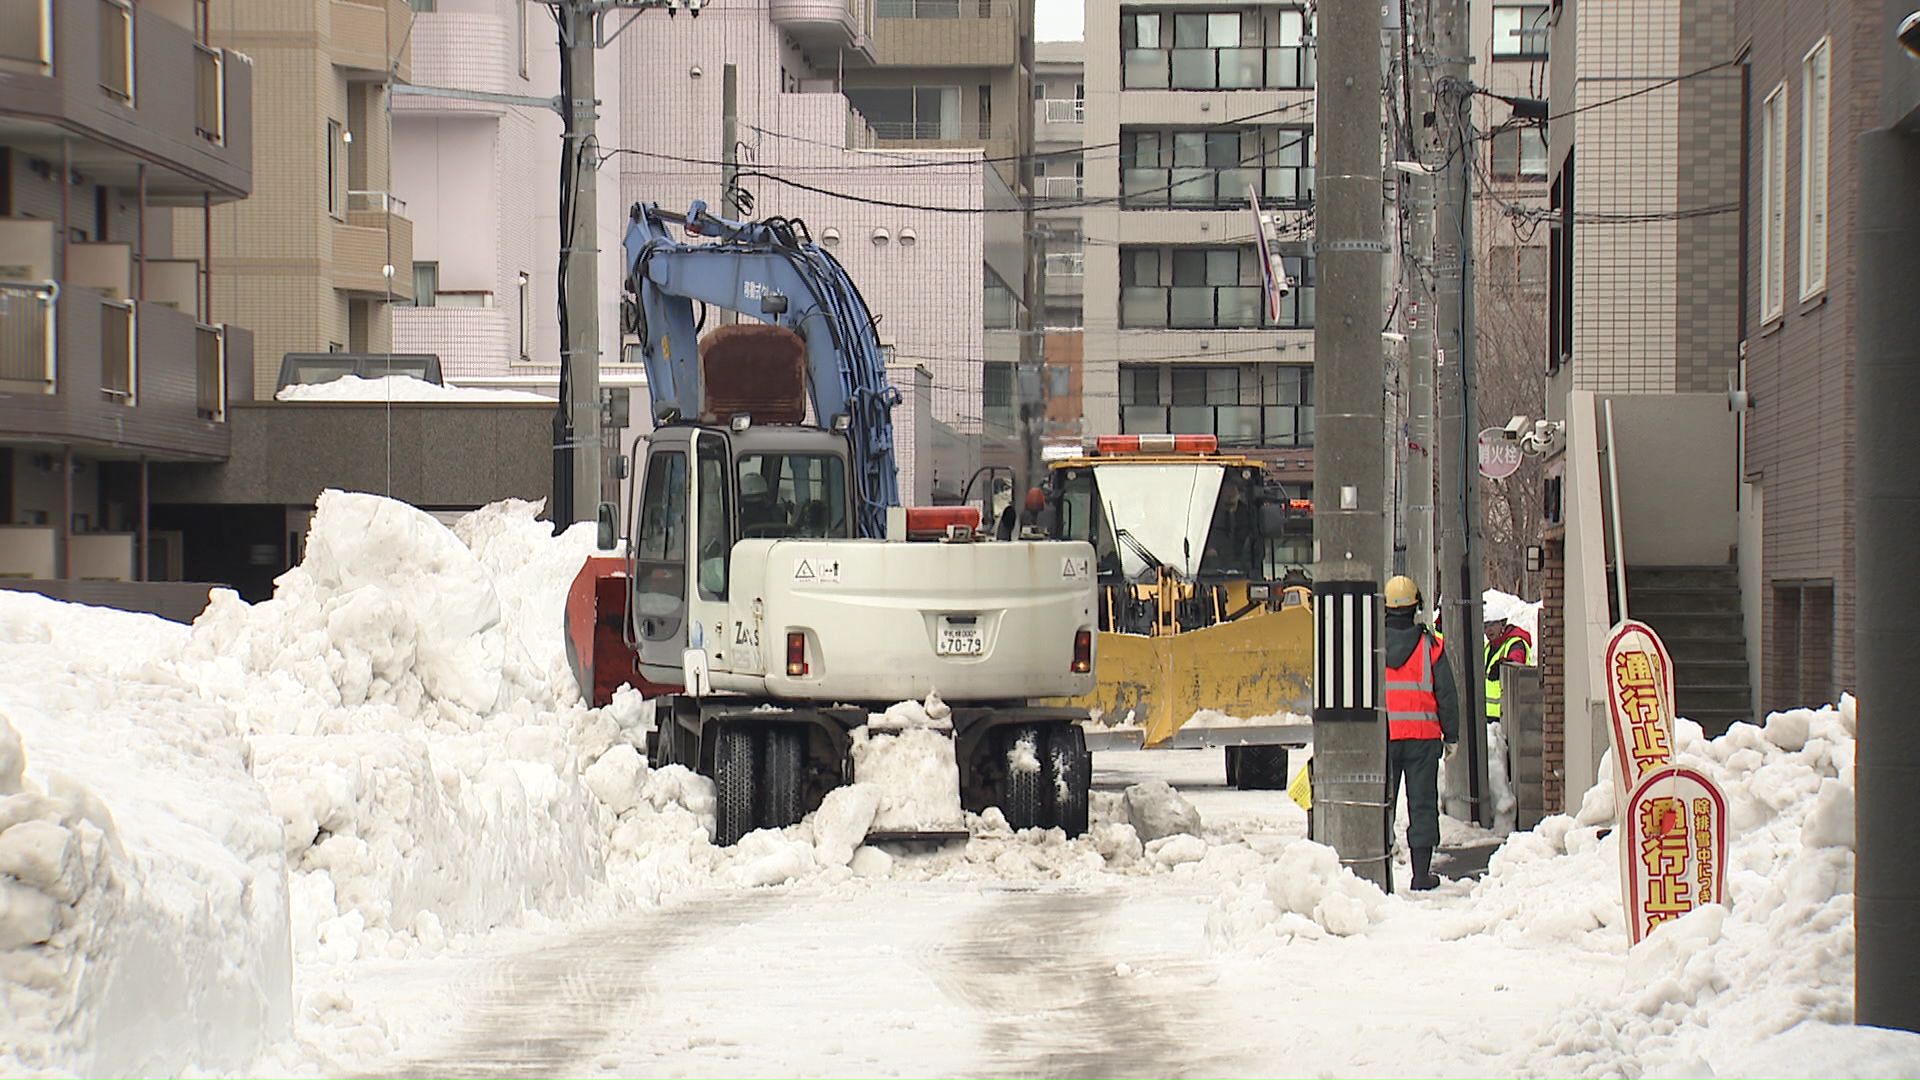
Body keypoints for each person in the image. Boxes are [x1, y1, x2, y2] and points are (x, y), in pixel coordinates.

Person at [1383, 574, 1460, 891]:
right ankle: (1420, 874)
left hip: (1383, 739)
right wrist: (1451, 736)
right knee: (1423, 805)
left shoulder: (1371, 646)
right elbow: (1447, 695)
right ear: (1417, 606)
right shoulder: (1431, 646)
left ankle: (1378, 871)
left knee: (1382, 804)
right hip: (1423, 739)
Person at [1481, 593, 1536, 723]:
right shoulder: (1488, 648)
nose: (1488, 630)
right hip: (1488, 716)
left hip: (1506, 717)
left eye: (1492, 625)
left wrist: (1502, 664)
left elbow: (1516, 660)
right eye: (1485, 626)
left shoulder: (1515, 643)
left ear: (1502, 624)